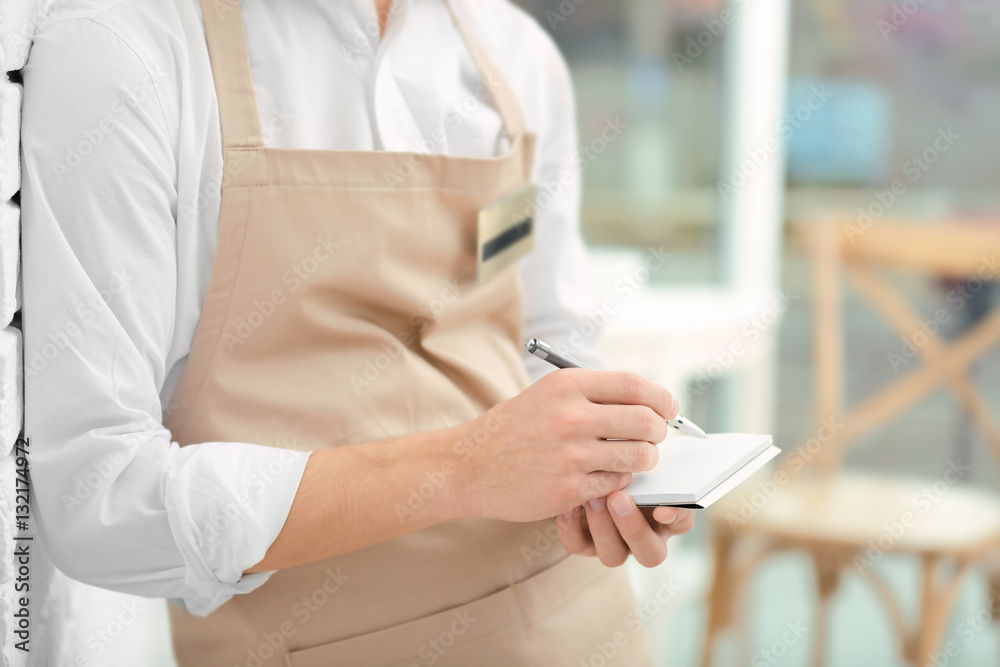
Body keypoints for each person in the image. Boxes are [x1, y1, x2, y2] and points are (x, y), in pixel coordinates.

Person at [20, 0, 695, 664]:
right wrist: (465, 466)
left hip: (579, 621)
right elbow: (99, 499)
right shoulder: (126, 50)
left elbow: (546, 333)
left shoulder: (516, 52)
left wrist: (607, 468)